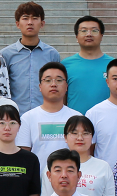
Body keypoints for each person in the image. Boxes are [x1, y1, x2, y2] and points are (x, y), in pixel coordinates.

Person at [19, 61, 80, 189]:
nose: (53, 84)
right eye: (48, 80)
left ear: (66, 86)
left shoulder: (77, 118)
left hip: (71, 186)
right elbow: (24, 157)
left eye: (59, 80)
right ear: (40, 86)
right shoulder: (28, 118)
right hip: (38, 185)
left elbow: (84, 153)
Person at [0, 1, 59, 115]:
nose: (30, 22)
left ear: (42, 24)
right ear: (18, 24)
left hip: (45, 114)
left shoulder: (52, 54)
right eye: (25, 18)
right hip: (15, 116)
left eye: (35, 18)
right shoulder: (6, 54)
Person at [63, 116, 116, 196]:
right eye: (74, 133)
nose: (80, 138)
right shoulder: (55, 166)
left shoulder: (103, 166)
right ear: (65, 137)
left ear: (92, 138)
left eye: (86, 133)